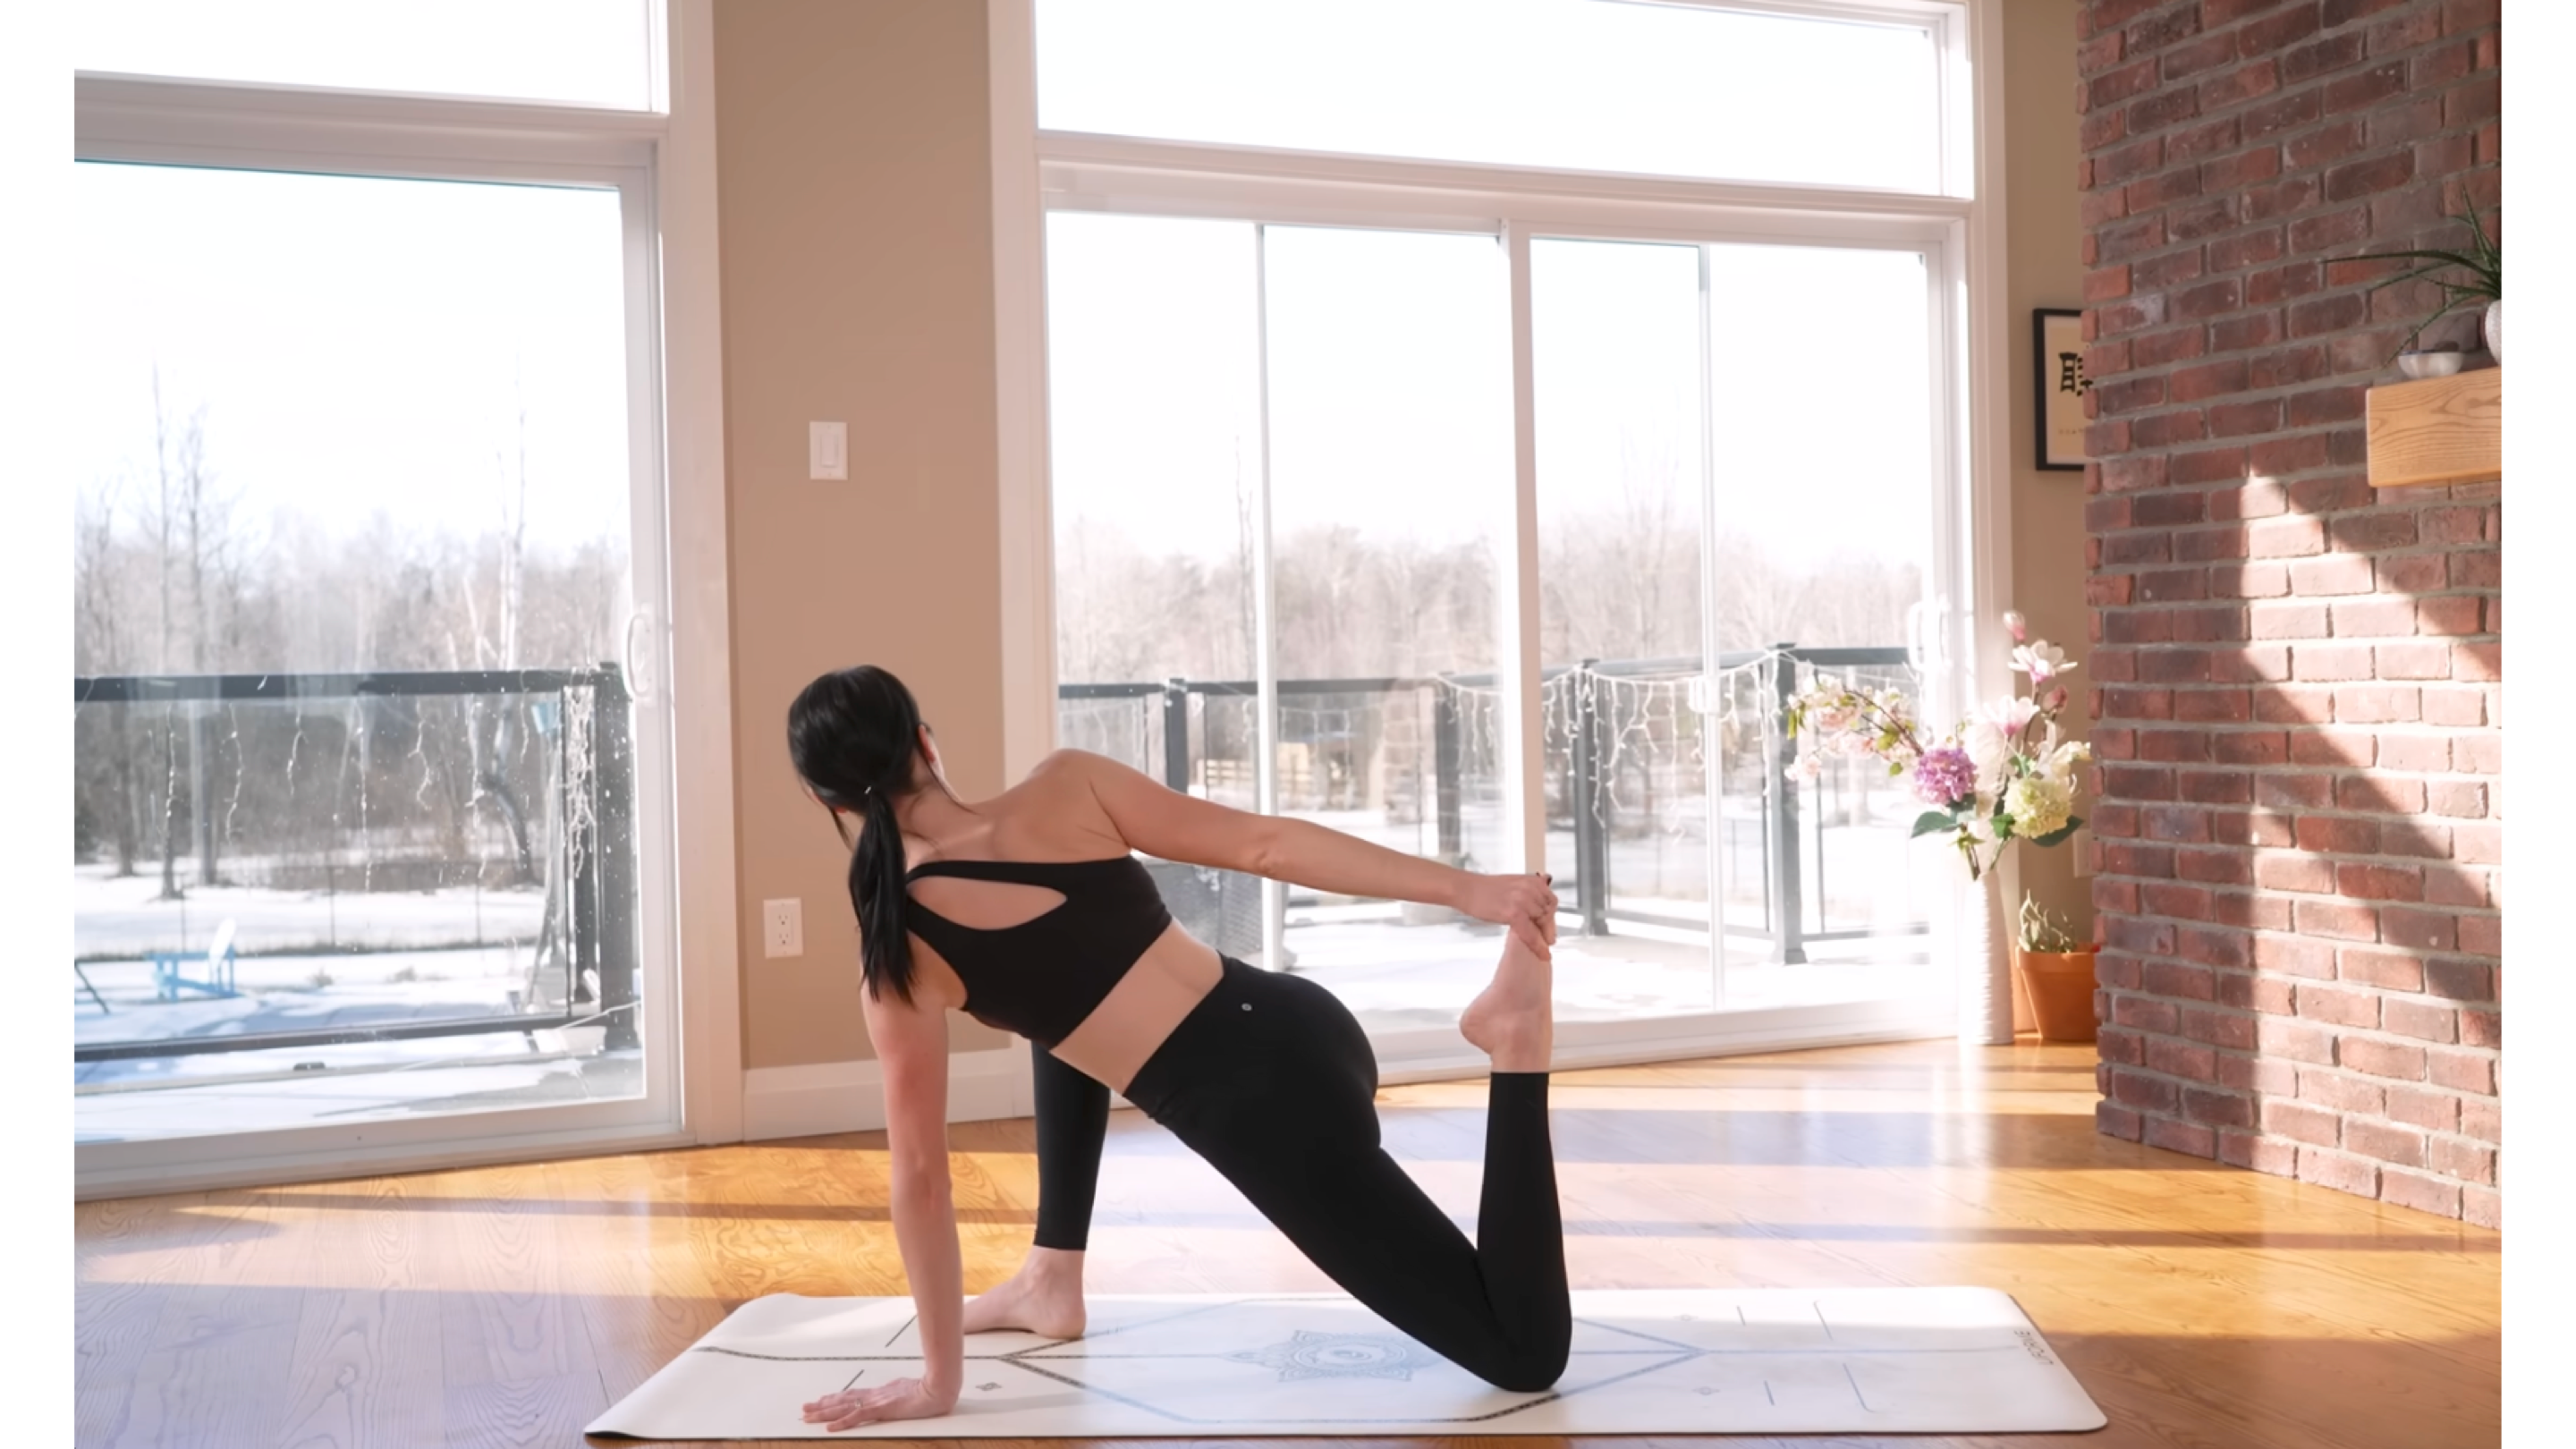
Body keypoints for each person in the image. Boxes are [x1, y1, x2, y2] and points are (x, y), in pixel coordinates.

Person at [786, 665, 1570, 1431]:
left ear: (826, 804)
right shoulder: (1068, 782)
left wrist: (936, 1382)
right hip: (1303, 1020)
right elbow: (1266, 846)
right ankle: (1051, 1277)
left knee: (1524, 1352)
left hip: (1277, 1123)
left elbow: (922, 1181)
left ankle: (1514, 1042)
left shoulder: (903, 956)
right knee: (1053, 1010)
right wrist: (1468, 890)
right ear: (926, 742)